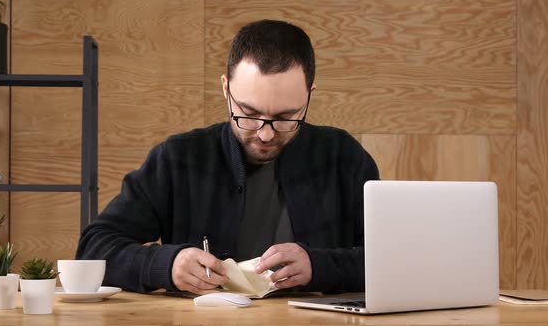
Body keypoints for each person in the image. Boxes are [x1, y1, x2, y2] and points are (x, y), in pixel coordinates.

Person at [76, 19, 379, 295]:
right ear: (226, 88)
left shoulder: (345, 157)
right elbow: (94, 248)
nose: (265, 134)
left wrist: (320, 267)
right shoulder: (178, 158)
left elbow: (389, 259)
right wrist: (164, 265)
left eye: (286, 117)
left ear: (310, 94)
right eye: (248, 114)